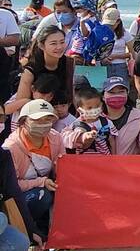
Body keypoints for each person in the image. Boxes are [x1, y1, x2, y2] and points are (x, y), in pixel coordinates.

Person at [3, 100, 64, 236]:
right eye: (38, 120)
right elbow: (11, 186)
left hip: (49, 185)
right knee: (42, 197)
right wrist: (41, 182)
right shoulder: (11, 148)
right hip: (23, 195)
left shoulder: (55, 137)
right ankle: (31, 230)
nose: (44, 125)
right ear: (24, 121)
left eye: (48, 119)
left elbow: (62, 165)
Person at [8, 26, 72, 116]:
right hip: (35, 114)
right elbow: (21, 104)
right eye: (53, 43)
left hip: (61, 112)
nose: (59, 47)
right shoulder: (30, 70)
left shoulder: (68, 62)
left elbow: (70, 91)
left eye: (62, 42)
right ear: (42, 46)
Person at [0, 139, 39, 250]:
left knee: (20, 242)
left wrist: (30, 229)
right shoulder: (13, 145)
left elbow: (13, 192)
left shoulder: (3, 155)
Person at [101, 77, 140, 155]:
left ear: (127, 94)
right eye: (111, 92)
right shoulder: (93, 118)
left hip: (128, 165)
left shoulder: (139, 117)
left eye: (121, 92)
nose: (117, 96)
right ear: (103, 96)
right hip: (100, 165)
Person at [100, 7, 134, 83]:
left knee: (122, 88)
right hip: (103, 66)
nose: (109, 27)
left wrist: (115, 56)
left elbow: (132, 54)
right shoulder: (99, 32)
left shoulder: (125, 34)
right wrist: (102, 59)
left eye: (111, 24)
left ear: (118, 21)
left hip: (120, 66)